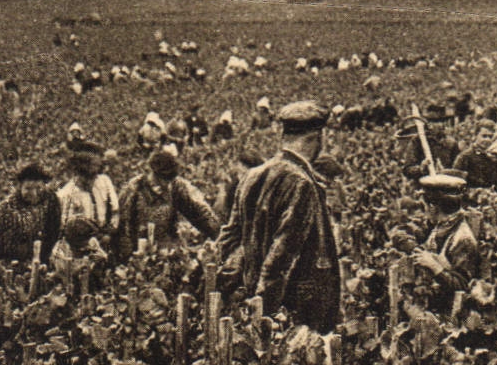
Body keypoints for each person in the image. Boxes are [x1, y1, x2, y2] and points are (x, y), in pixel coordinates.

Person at [216, 101, 342, 332]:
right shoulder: (301, 182)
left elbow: (229, 239)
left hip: (253, 298)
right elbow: (282, 254)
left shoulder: (253, 175)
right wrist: (265, 315)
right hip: (292, 311)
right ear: (317, 137)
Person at [117, 143, 221, 253]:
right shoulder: (134, 188)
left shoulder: (176, 186)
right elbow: (122, 222)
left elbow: (200, 212)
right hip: (138, 247)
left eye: (169, 179)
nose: (166, 183)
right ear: (153, 173)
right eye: (163, 179)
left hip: (166, 245)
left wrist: (219, 236)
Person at [0, 163, 61, 264]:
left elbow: (54, 233)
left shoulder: (51, 201)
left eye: (38, 188)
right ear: (19, 187)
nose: (34, 194)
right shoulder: (5, 210)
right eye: (28, 189)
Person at [57, 148, 120, 256]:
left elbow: (115, 210)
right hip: (80, 245)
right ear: (78, 174)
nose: (92, 180)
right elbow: (67, 227)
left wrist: (109, 232)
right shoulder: (66, 194)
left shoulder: (104, 181)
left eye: (94, 176)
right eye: (88, 178)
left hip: (107, 237)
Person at [453, 120, 497, 189]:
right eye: (484, 136)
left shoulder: (495, 158)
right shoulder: (465, 157)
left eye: (490, 137)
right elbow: (455, 184)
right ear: (475, 136)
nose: (487, 140)